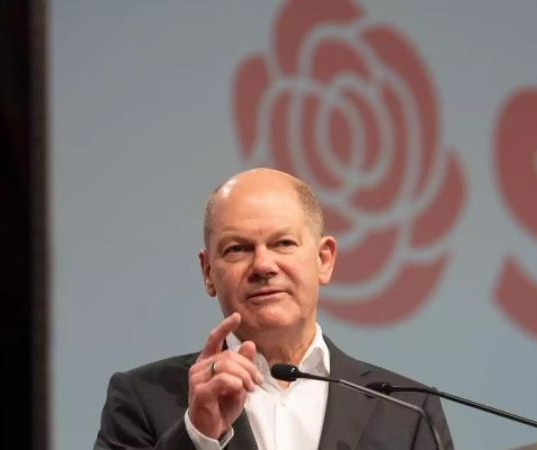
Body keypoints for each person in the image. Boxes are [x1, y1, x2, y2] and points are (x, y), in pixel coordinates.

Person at [94, 168, 453, 450]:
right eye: (237, 249)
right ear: (207, 272)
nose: (263, 265)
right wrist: (198, 435)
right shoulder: (143, 398)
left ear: (324, 259)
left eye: (283, 243)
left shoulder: (408, 410)